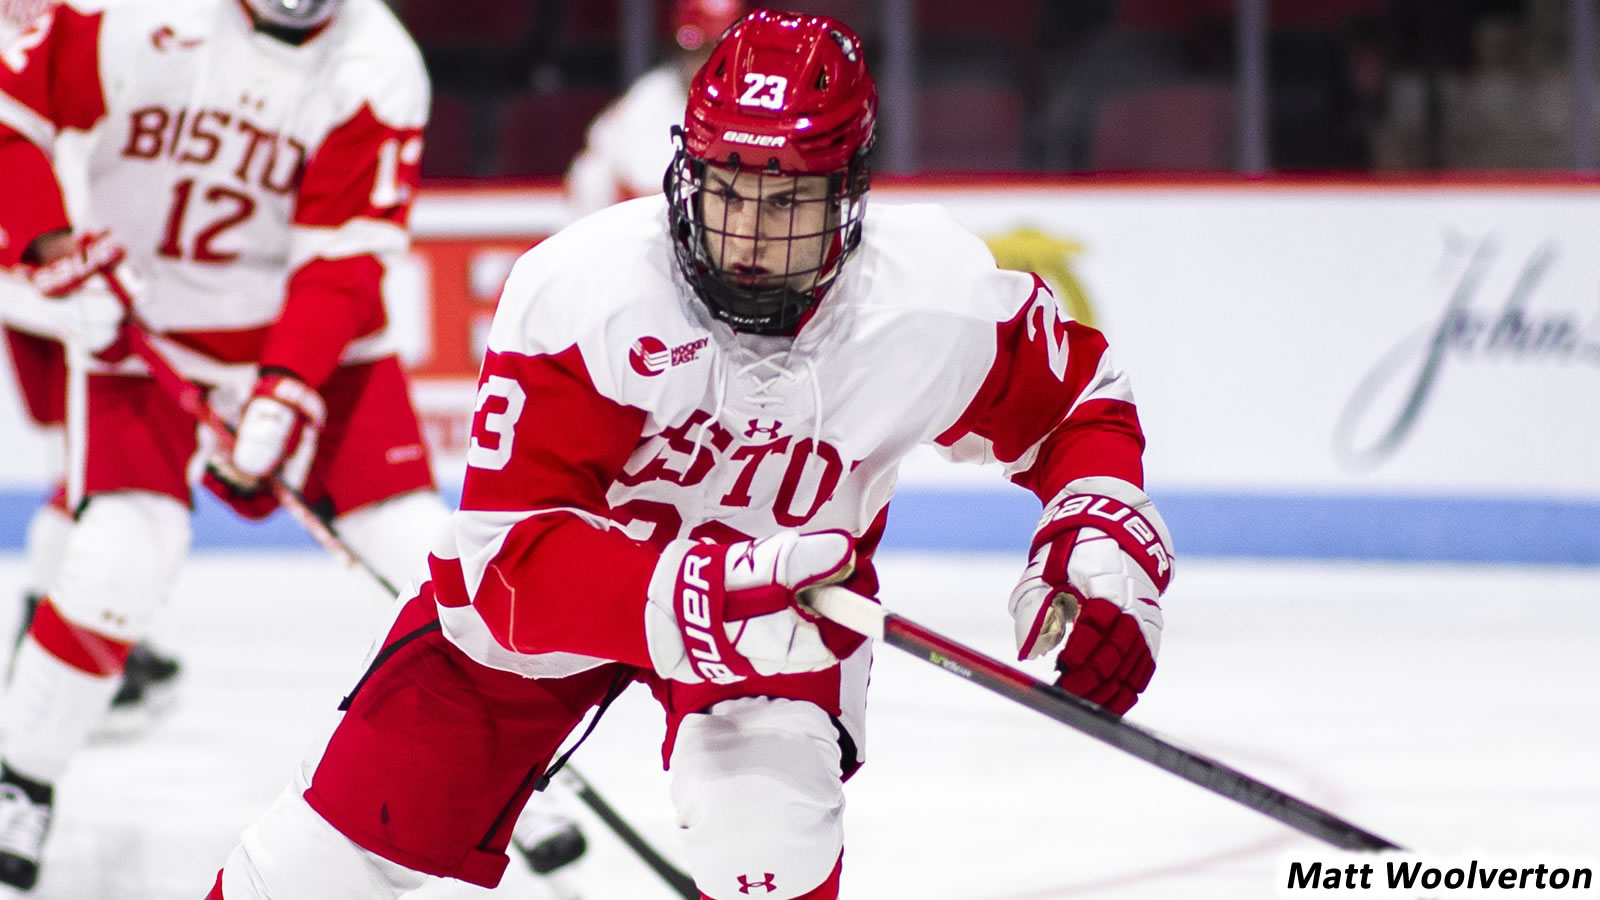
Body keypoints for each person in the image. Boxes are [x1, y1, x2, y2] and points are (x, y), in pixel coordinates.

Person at [205, 9, 1174, 900]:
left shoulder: (928, 300)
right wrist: (695, 595)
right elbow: (507, 565)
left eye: (785, 201)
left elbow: (1076, 403)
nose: (746, 237)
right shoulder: (584, 295)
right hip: (568, 599)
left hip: (782, 617)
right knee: (307, 868)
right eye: (724, 193)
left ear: (849, 194)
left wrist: (1099, 541)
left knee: (770, 838)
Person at [0, 0, 588, 892]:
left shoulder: (379, 64)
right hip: (143, 329)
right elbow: (14, 117)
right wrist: (47, 244)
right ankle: (20, 780)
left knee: (419, 548)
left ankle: (493, 766)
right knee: (120, 557)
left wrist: (285, 386)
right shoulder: (131, 16)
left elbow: (343, 262)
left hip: (322, 350)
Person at [563, 0, 746, 218]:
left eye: (716, 51)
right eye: (697, 50)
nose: (705, 62)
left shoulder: (764, 105)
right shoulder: (644, 104)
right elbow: (591, 183)